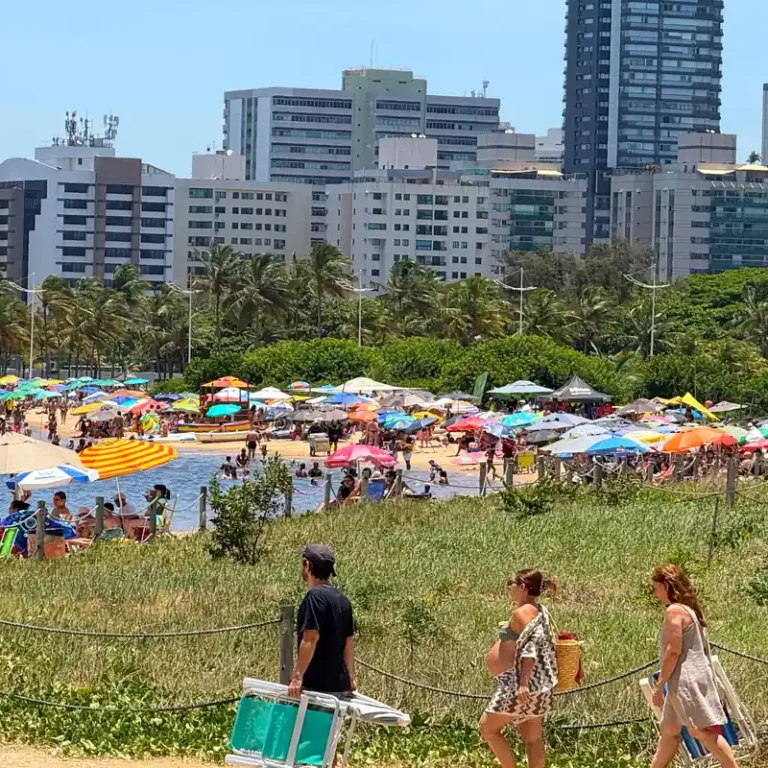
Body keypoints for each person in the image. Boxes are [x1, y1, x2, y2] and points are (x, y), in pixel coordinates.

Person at [649, 564, 737, 768]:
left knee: (699, 730)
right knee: (670, 731)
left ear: (666, 586)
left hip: (684, 679)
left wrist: (660, 684)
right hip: (691, 676)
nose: (655, 593)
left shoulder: (674, 611)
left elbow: (673, 651)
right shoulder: (689, 609)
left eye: (656, 587)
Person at [480, 570, 558, 768]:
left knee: (487, 729)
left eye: (511, 585)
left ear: (522, 587)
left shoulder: (522, 612)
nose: (509, 590)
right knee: (532, 737)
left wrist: (523, 682)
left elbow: (533, 642)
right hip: (538, 683)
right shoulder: (539, 610)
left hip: (518, 684)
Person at [288, 544, 355, 699]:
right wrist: (350, 678)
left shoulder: (314, 598)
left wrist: (297, 677)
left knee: (308, 724)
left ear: (307, 566)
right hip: (339, 687)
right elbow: (348, 643)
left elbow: (311, 638)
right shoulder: (344, 601)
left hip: (317, 688)